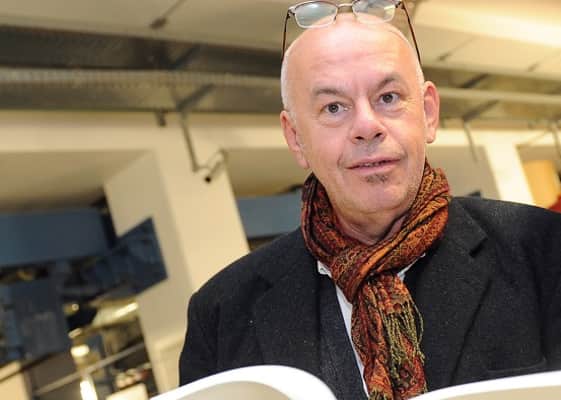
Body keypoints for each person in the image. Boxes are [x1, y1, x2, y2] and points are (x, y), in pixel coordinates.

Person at [179, 5, 561, 400]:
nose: (366, 126)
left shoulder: (545, 252)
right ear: (296, 138)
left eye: (388, 97)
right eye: (333, 107)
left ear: (428, 113)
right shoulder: (221, 316)